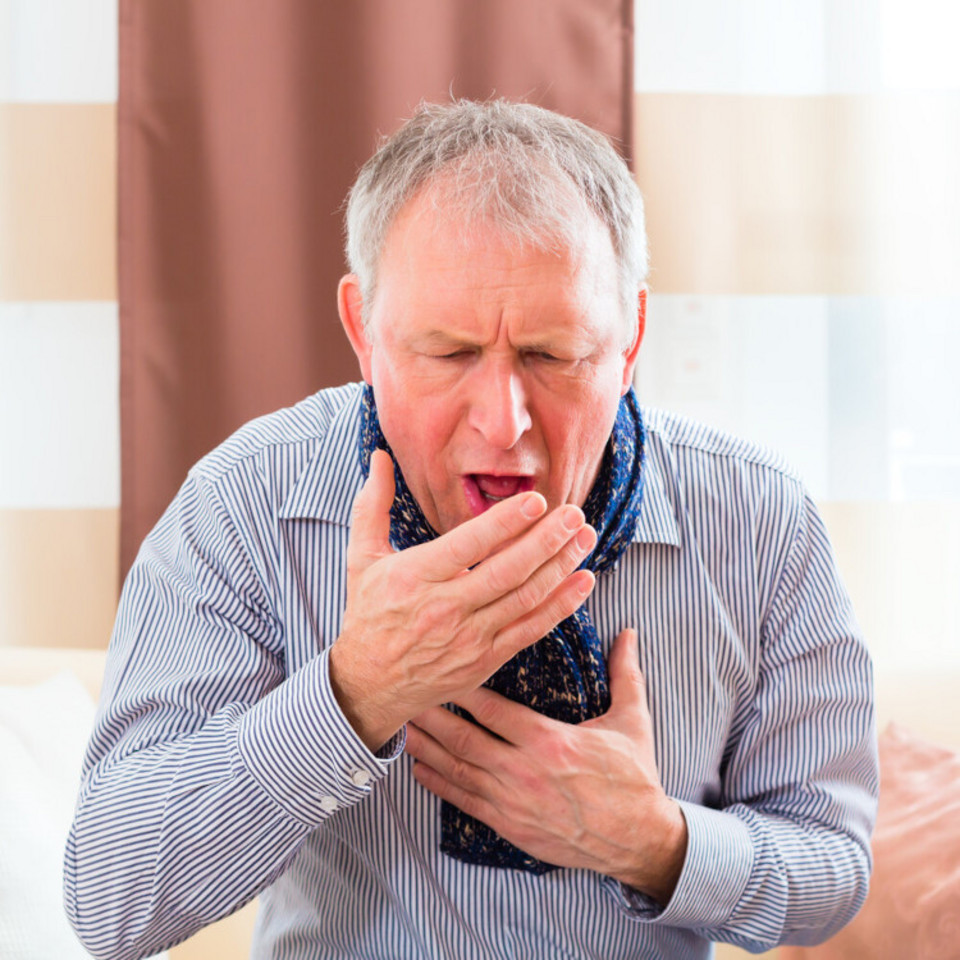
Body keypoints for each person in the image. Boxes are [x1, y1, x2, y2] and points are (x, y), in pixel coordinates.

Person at [65, 100, 878, 960]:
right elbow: (111, 902)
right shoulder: (246, 505)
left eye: (553, 353)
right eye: (448, 353)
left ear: (632, 335)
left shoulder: (761, 523)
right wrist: (355, 692)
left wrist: (652, 841)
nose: (503, 422)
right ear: (363, 332)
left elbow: (832, 869)